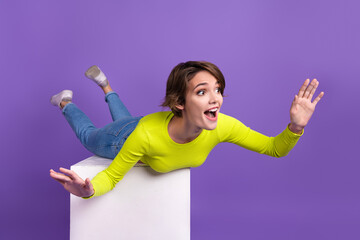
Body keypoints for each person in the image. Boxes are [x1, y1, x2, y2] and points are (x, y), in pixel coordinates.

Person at [49, 61, 324, 199]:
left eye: (217, 89)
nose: (215, 98)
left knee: (127, 119)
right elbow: (111, 176)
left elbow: (274, 148)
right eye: (203, 91)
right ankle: (65, 102)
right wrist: (89, 190)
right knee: (90, 137)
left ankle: (106, 86)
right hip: (124, 139)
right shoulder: (145, 136)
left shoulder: (222, 126)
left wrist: (296, 126)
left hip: (142, 126)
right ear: (179, 102)